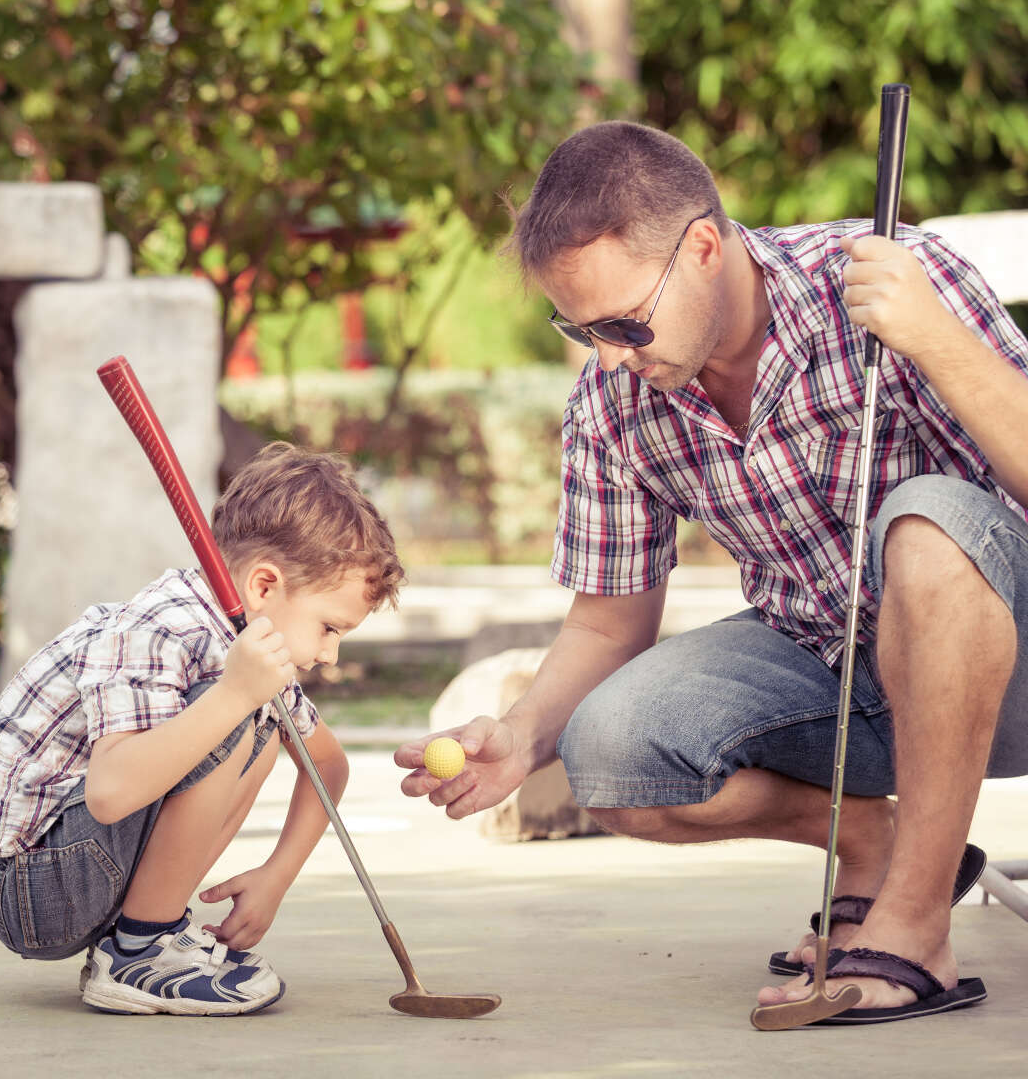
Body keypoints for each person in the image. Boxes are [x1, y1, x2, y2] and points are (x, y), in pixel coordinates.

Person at [396, 120, 1028, 1024]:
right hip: (838, 675)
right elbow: (606, 627)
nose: (608, 353)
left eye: (621, 322)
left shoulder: (900, 276)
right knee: (609, 749)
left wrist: (935, 341)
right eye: (577, 328)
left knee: (927, 524)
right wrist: (522, 734)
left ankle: (916, 924)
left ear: (701, 247)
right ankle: (882, 844)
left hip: (1007, 664)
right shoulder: (616, 401)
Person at [0, 441, 403, 1016]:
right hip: (31, 885)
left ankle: (144, 934)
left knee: (255, 718)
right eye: (329, 628)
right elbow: (110, 794)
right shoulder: (158, 629)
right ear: (264, 587)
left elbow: (327, 765)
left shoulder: (253, 651)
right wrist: (235, 694)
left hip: (83, 868)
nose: (330, 655)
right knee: (236, 713)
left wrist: (276, 876)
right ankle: (139, 950)